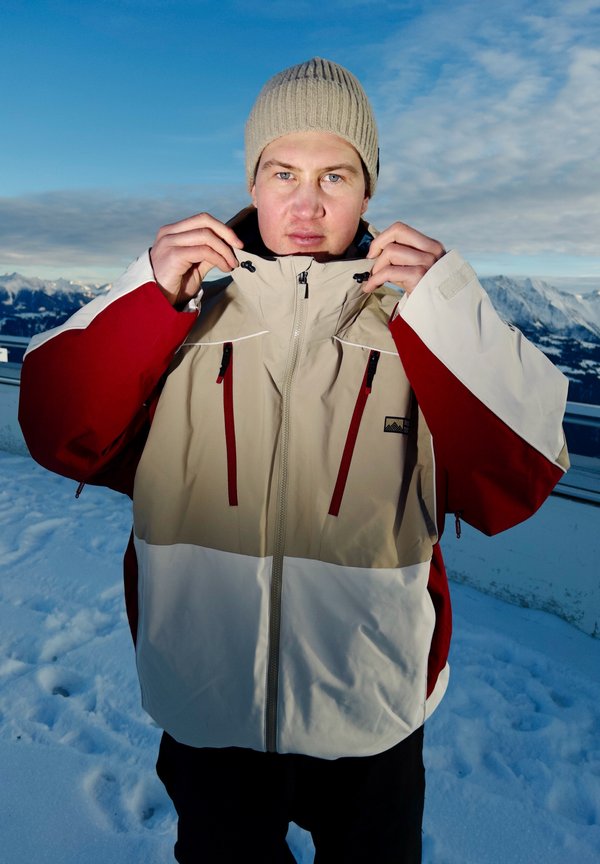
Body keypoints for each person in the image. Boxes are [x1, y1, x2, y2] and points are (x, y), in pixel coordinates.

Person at [18, 58, 569, 863]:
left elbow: (514, 480)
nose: (306, 203)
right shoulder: (184, 311)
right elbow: (55, 424)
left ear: (368, 191)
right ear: (252, 178)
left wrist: (450, 307)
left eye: (335, 175)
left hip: (370, 708)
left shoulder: (415, 325)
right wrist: (146, 290)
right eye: (283, 171)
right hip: (207, 700)